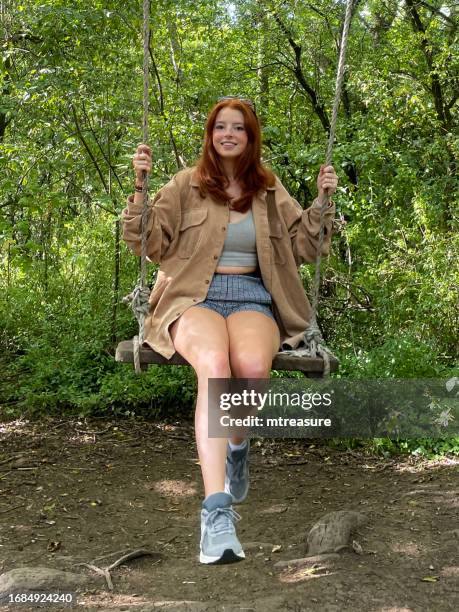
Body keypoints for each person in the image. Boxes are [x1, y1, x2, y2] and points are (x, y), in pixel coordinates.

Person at [122, 97, 338, 565]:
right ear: (210, 133)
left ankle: (237, 443)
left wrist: (322, 203)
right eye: (221, 126)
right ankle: (215, 512)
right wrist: (140, 187)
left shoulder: (268, 188)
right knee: (216, 369)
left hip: (252, 298)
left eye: (238, 128)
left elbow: (305, 245)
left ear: (249, 136)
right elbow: (149, 244)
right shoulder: (185, 184)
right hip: (191, 299)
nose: (228, 134)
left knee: (254, 369)